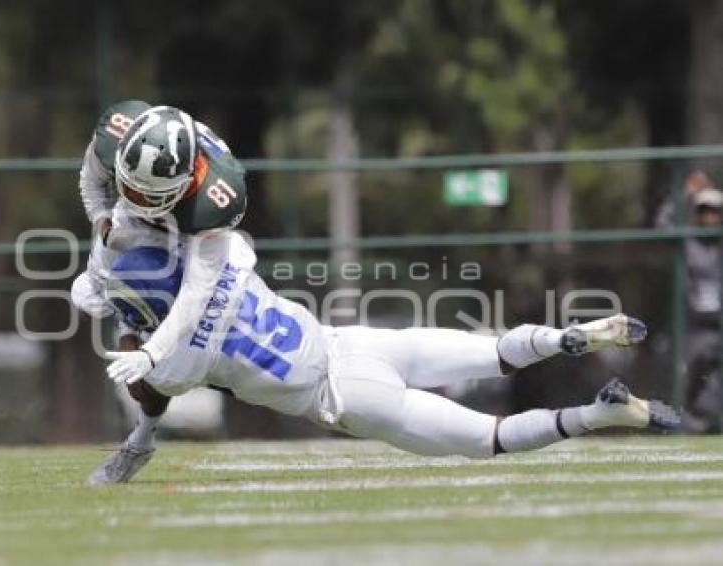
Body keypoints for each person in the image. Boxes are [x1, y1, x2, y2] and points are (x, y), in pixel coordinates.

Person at [83, 238, 679, 485]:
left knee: (492, 440)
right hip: (355, 342)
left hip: (345, 398)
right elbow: (201, 252)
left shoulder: (170, 363)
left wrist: (140, 364)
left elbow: (154, 393)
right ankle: (564, 337)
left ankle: (600, 417)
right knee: (495, 350)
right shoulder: (226, 254)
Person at [70, 102, 247, 482]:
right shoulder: (113, 137)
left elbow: (197, 292)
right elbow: (90, 182)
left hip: (193, 237)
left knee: (187, 347)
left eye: (150, 195)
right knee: (89, 293)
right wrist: (103, 223)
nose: (139, 200)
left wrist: (153, 353)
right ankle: (143, 436)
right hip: (135, 233)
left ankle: (209, 378)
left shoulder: (216, 193)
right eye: (130, 187)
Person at [656, 170, 723, 432]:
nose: (709, 216)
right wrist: (684, 195)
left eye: (715, 211)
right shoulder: (688, 243)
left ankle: (701, 420)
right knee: (682, 380)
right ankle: (681, 423)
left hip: (719, 326)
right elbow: (663, 223)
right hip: (692, 327)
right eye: (704, 210)